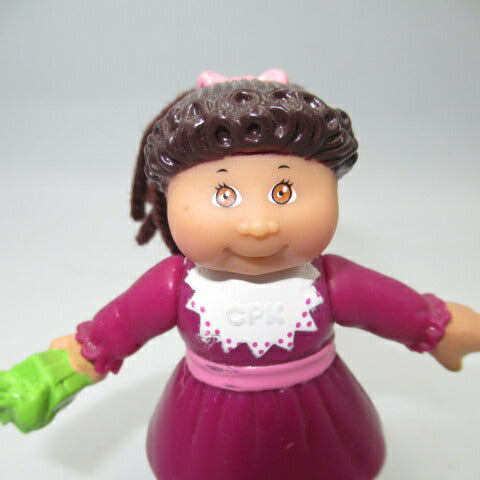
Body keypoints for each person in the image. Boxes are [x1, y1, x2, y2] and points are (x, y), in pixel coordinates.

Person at [1, 70, 479, 480]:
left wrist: (439, 328)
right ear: (169, 201)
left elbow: (398, 309)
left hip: (318, 415)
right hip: (208, 420)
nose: (258, 224)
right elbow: (116, 329)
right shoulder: (175, 286)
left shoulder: (330, 282)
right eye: (224, 196)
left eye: (283, 192)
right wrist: (65, 367)